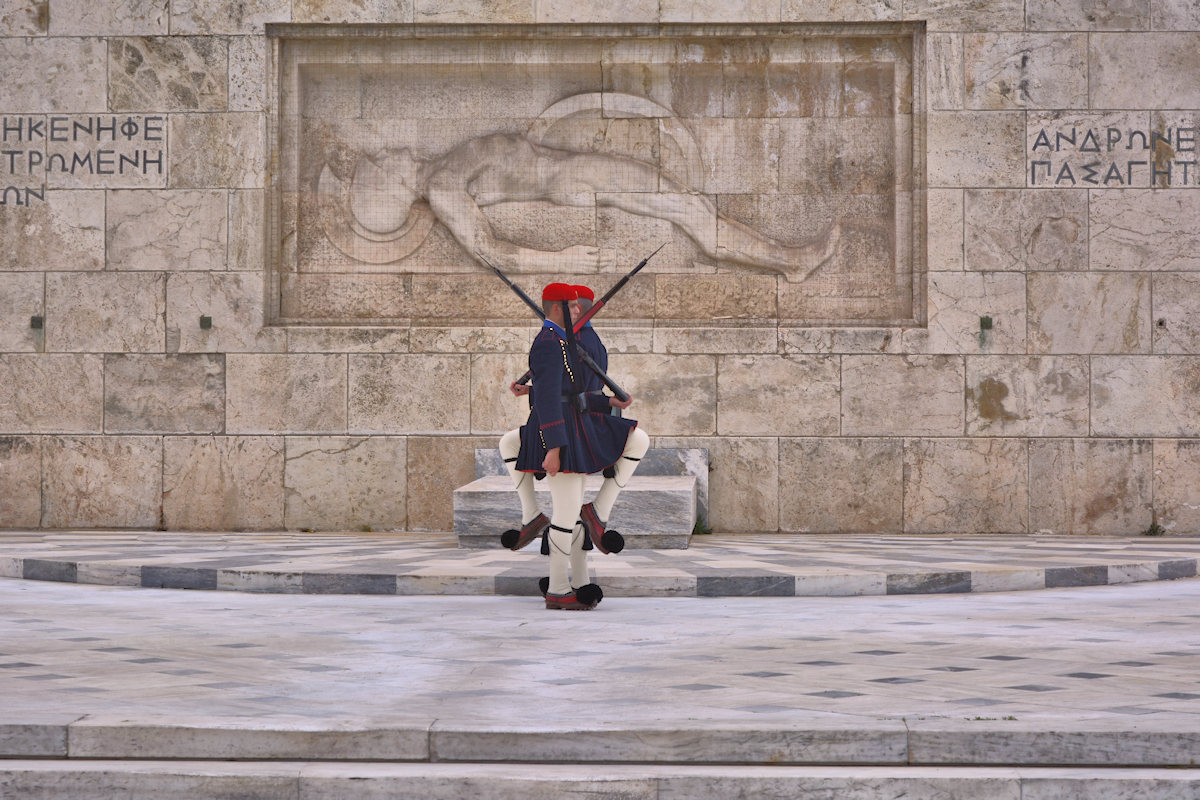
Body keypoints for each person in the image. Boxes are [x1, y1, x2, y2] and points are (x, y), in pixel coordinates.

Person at [319, 132, 839, 281]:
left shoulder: (446, 170)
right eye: (382, 158)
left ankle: (787, 259)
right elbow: (489, 251)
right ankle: (790, 262)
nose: (389, 147)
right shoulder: (444, 188)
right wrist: (563, 259)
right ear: (394, 179)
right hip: (577, 177)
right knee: (691, 212)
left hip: (577, 170)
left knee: (690, 207)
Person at [497, 283, 649, 610]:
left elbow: (570, 391)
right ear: (557, 309)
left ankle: (577, 579)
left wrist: (608, 400)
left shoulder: (561, 341)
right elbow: (551, 400)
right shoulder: (549, 344)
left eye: (581, 306)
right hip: (560, 433)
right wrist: (554, 447)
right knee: (566, 514)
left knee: (572, 510)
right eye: (574, 306)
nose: (580, 309)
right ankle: (558, 589)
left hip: (571, 426)